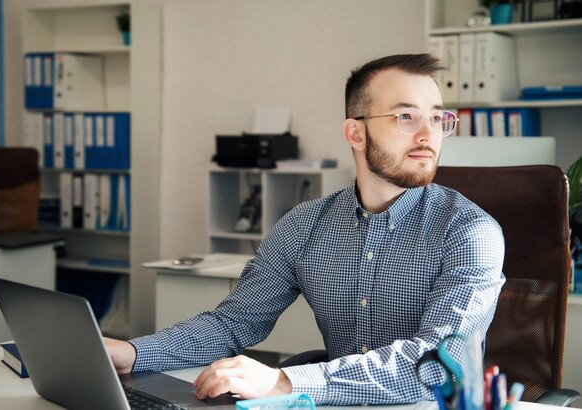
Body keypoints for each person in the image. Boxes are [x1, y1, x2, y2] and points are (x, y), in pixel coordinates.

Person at [105, 53, 505, 406]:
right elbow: (234, 322)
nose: (427, 134)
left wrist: (284, 380)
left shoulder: (470, 232)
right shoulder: (304, 225)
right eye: (406, 117)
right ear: (355, 133)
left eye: (437, 117)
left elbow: (436, 364)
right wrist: (134, 353)